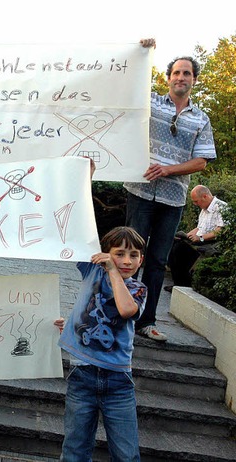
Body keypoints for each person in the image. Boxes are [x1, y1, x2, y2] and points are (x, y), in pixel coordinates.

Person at [124, 39, 216, 342]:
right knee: (130, 255)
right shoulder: (149, 103)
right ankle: (122, 315)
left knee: (157, 260)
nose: (181, 78)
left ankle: (146, 322)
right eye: (176, 73)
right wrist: (142, 53)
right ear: (168, 78)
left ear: (194, 80)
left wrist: (167, 170)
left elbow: (201, 161)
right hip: (140, 191)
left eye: (187, 73)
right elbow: (125, 85)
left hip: (173, 198)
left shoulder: (201, 119)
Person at [59, 226, 147, 461]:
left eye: (134, 255)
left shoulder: (137, 289)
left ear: (141, 260)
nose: (127, 261)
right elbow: (72, 235)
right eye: (119, 254)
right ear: (104, 254)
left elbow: (127, 309)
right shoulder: (91, 272)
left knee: (126, 454)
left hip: (118, 382)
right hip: (82, 375)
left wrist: (113, 271)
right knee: (74, 450)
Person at [166, 185, 227, 289]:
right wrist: (186, 236)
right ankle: (178, 284)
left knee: (179, 250)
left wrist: (202, 238)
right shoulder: (204, 209)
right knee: (173, 244)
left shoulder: (221, 207)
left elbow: (221, 230)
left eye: (196, 201)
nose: (195, 204)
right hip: (200, 240)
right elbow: (199, 228)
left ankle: (183, 285)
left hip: (211, 243)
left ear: (205, 196)